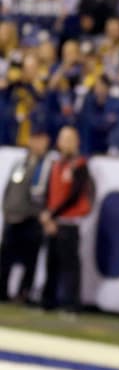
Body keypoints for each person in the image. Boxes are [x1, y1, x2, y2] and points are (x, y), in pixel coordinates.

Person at [40, 127, 94, 314]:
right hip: (53, 222)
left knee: (70, 266)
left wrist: (52, 214)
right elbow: (48, 191)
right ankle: (48, 302)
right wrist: (47, 215)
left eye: (70, 139)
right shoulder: (55, 164)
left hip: (69, 223)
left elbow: (74, 195)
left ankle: (71, 305)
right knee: (51, 263)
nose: (66, 143)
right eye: (64, 138)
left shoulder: (79, 165)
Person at [0, 128, 52, 303]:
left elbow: (44, 194)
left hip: (31, 219)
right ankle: (2, 291)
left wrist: (38, 214)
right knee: (5, 258)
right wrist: (6, 209)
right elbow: (9, 187)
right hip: (12, 217)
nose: (36, 143)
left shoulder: (46, 165)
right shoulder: (21, 162)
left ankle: (24, 293)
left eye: (40, 139)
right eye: (34, 139)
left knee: (30, 260)